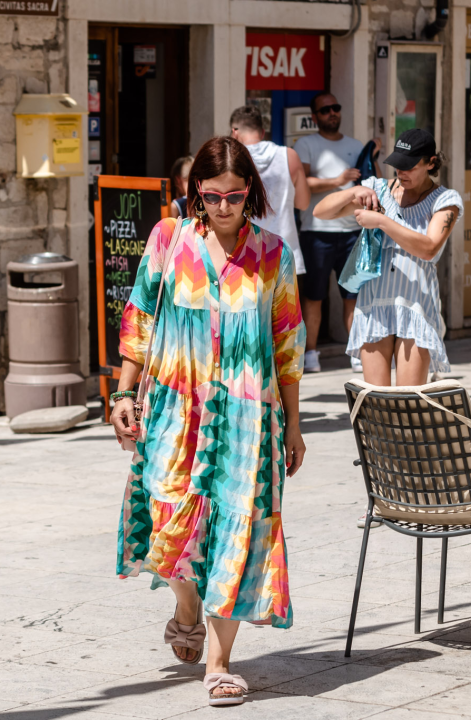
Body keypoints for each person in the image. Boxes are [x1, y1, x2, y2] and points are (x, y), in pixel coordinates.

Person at [111, 136, 305, 707]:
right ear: (196, 191)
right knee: (172, 517)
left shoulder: (273, 256)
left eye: (235, 196)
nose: (223, 207)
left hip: (250, 422)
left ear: (252, 195)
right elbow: (139, 316)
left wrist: (293, 425)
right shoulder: (169, 241)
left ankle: (219, 663)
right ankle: (187, 607)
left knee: (239, 531)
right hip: (176, 413)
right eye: (212, 195)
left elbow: (288, 345)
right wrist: (124, 393)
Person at [314, 128, 461, 386]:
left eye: (409, 166)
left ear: (430, 163)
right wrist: (352, 192)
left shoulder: (445, 200)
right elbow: (320, 212)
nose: (401, 173)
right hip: (374, 304)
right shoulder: (378, 189)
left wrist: (381, 221)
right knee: (375, 403)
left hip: (415, 304)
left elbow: (429, 247)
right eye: (397, 165)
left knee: (408, 405)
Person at [294, 92, 370, 373]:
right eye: (325, 110)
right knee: (314, 296)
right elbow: (301, 183)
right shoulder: (306, 144)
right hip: (317, 231)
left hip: (351, 232)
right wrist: (337, 181)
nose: (332, 113)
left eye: (335, 108)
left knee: (354, 295)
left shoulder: (355, 145)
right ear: (315, 116)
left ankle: (357, 353)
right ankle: (311, 353)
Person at [229, 104, 310, 276]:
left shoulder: (233, 160)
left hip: (245, 256)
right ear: (263, 132)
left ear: (234, 133)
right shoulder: (289, 155)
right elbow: (303, 203)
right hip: (285, 254)